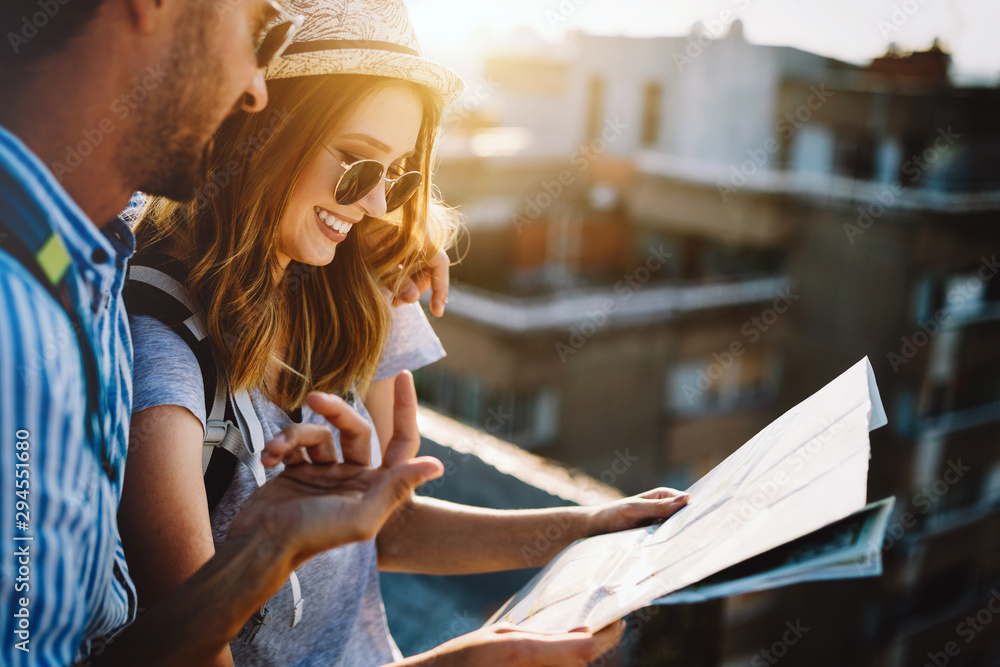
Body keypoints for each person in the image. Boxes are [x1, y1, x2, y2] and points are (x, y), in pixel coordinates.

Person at [119, 1, 691, 665]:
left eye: (398, 175)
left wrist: (584, 526)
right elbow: (184, 654)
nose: (377, 206)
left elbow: (378, 528)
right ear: (259, 125)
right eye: (358, 164)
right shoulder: (160, 358)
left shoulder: (343, 288)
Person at [0, 0, 447, 664]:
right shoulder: (54, 320)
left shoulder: (81, 251)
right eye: (257, 31)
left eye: (397, 178)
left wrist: (389, 243)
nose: (254, 89)